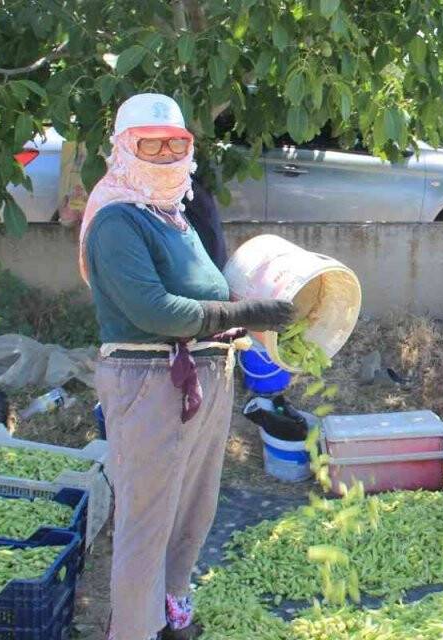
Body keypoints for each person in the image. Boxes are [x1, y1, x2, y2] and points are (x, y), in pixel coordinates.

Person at [79, 93, 294, 640]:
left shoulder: (174, 213)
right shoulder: (117, 220)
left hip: (203, 374)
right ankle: (133, 630)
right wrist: (242, 311)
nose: (165, 153)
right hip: (149, 379)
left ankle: (170, 614)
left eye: (175, 143)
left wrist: (246, 322)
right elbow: (153, 311)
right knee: (146, 523)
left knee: (192, 511)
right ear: (126, 149)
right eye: (150, 143)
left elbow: (206, 290)